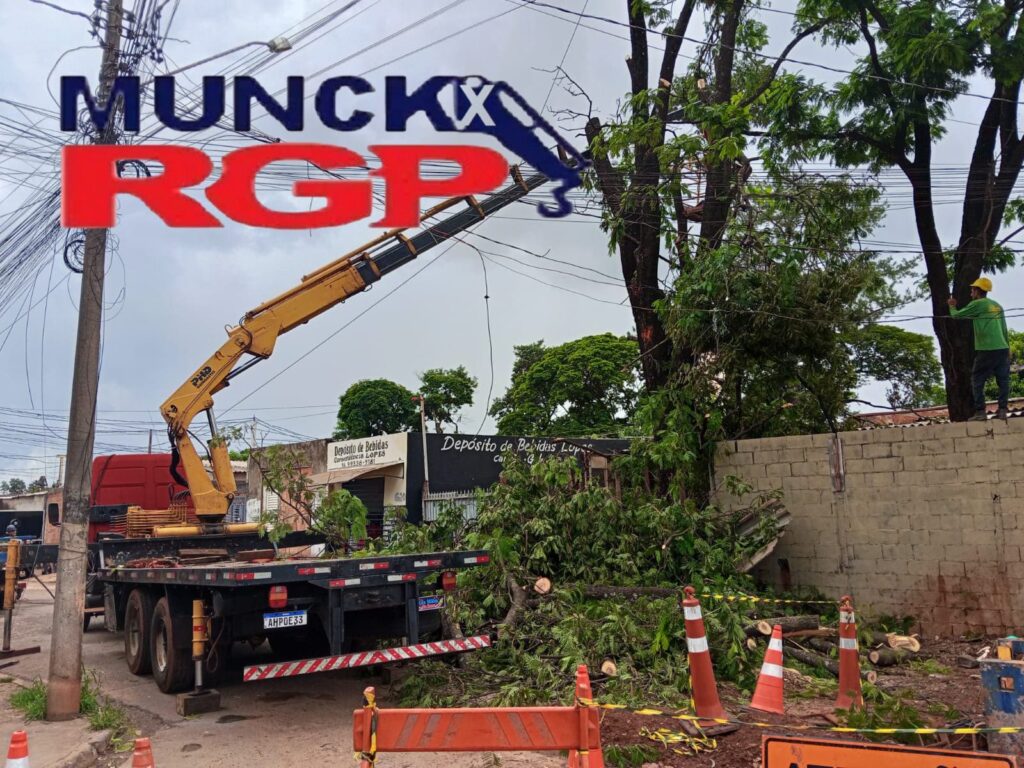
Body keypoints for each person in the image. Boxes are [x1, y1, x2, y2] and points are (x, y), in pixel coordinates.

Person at [948, 277, 1010, 420]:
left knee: (977, 379)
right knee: (1003, 380)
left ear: (977, 291)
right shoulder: (997, 306)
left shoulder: (978, 304)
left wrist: (952, 306)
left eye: (972, 290)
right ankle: (1002, 410)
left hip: (986, 349)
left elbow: (956, 316)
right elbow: (1004, 329)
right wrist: (1008, 348)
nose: (971, 293)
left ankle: (980, 412)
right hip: (1002, 347)